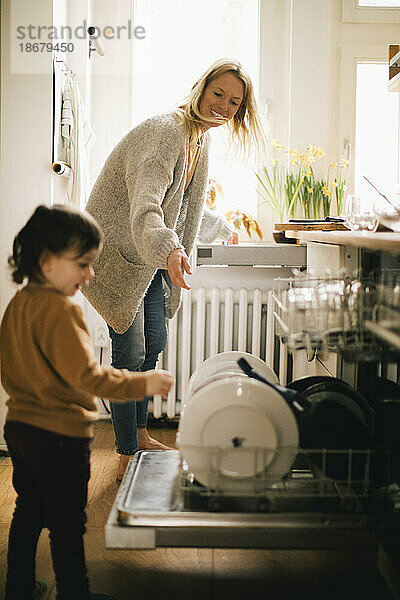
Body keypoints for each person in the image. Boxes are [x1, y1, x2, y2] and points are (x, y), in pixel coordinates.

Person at [82, 58, 267, 480]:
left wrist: (225, 229)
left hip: (145, 255)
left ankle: (140, 434)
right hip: (118, 252)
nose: (223, 105)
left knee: (154, 343)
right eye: (218, 93)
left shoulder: (199, 140)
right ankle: (127, 451)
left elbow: (184, 207)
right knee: (129, 352)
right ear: (200, 87)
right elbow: (147, 207)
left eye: (234, 102)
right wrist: (170, 251)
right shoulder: (168, 131)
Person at [0, 204, 174, 600]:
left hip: (21, 430)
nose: (90, 274)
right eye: (82, 264)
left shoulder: (17, 305)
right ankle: (74, 592)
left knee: (27, 511)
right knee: (66, 522)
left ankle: (19, 588)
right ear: (47, 261)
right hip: (60, 436)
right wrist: (142, 382)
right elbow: (90, 377)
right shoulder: (60, 311)